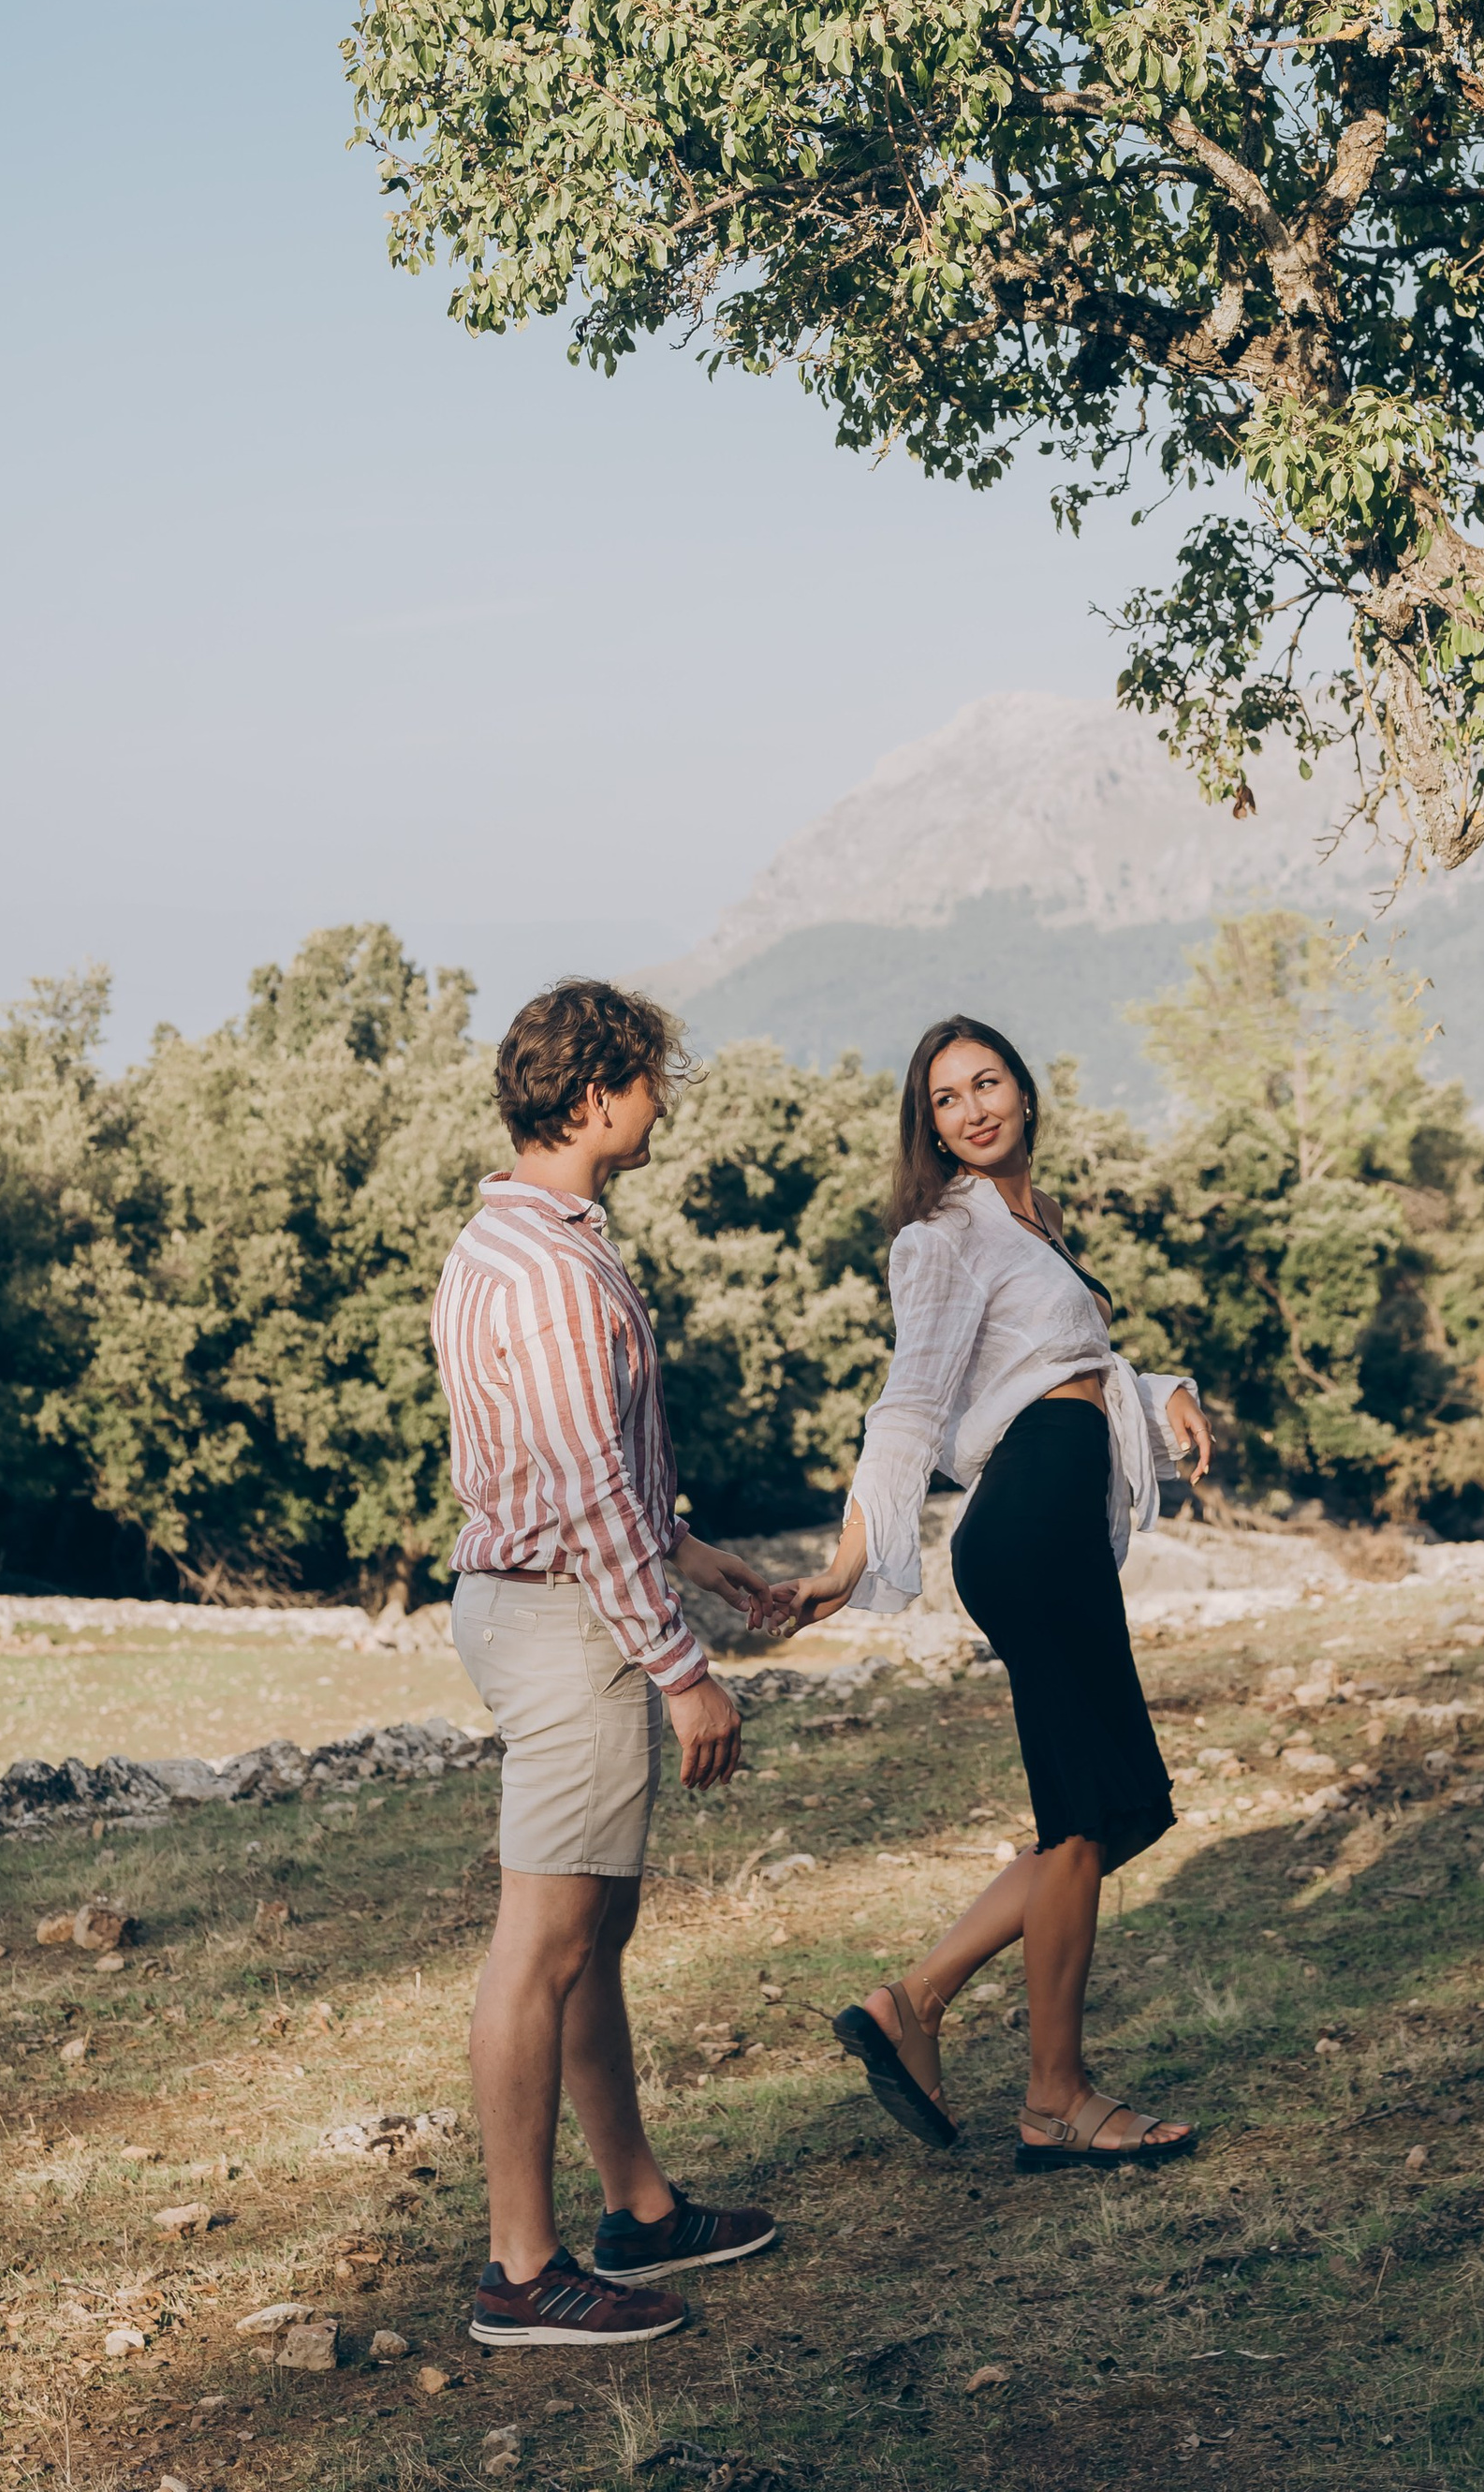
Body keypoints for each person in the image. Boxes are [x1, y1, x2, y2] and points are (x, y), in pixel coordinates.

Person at [774, 1013, 1214, 2168]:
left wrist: (1162, 1387)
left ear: (1025, 1087)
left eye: (987, 1083)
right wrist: (851, 1556)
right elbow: (910, 1406)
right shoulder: (943, 1236)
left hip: (1059, 1514)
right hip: (1022, 1523)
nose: (971, 1109)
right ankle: (1051, 2097)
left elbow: (1062, 1366)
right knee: (1081, 1821)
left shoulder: (1036, 1222)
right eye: (944, 1100)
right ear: (926, 1129)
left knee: (1109, 1810)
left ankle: (914, 2003)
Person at [432, 978, 786, 2347]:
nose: (661, 1103)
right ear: (593, 1097)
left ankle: (637, 2204)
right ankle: (521, 2272)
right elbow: (578, 1491)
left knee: (598, 1934)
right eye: (647, 1082)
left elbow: (573, 1466)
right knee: (546, 1944)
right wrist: (681, 1666)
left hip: (545, 1593)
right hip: (566, 1619)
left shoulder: (505, 1243)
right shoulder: (556, 1271)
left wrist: (693, 1553)